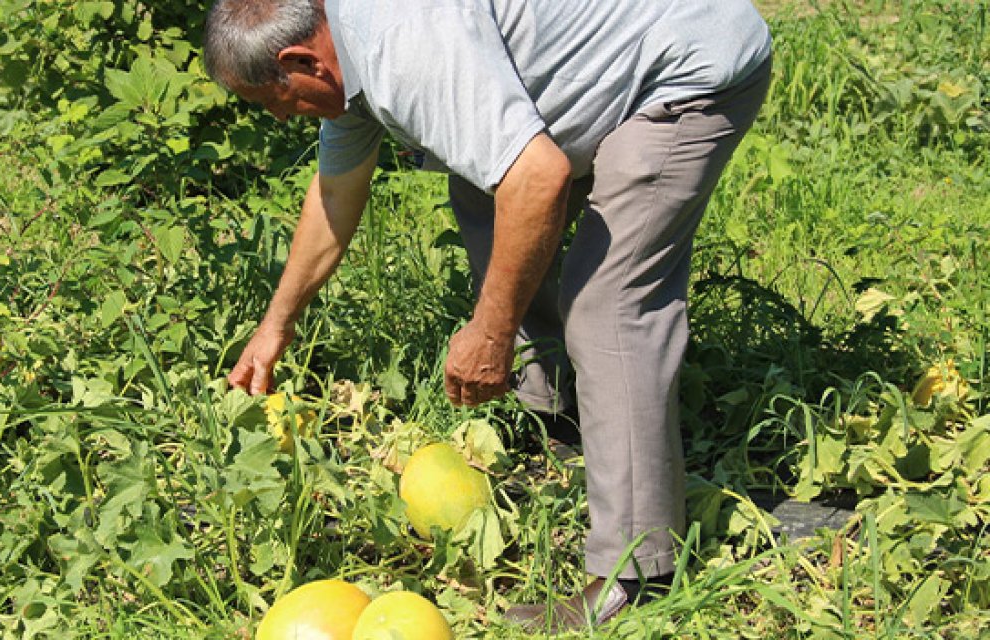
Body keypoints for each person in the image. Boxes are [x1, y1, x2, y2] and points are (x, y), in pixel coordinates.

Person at [204, 0, 771, 630]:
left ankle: (637, 575)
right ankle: (569, 426)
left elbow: (538, 179)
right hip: (613, 60)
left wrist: (492, 333)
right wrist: (275, 324)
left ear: (301, 60)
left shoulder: (398, 52)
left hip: (686, 67)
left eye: (271, 101)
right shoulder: (349, 52)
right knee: (481, 190)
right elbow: (336, 195)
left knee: (608, 305)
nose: (281, 117)